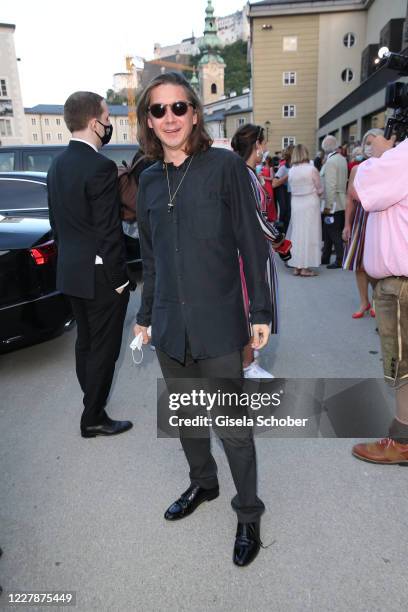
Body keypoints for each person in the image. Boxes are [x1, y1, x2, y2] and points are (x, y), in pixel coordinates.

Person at [133, 72, 272, 567]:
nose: (169, 118)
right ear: (148, 120)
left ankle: (249, 514)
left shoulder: (225, 168)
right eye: (158, 110)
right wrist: (145, 317)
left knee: (232, 426)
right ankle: (204, 485)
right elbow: (149, 260)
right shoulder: (147, 180)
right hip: (170, 324)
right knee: (188, 419)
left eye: (178, 107)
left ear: (194, 111)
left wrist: (261, 310)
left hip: (218, 322)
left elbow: (251, 244)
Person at [47, 91, 133, 438]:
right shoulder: (99, 167)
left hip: (71, 271)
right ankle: (93, 417)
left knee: (85, 343)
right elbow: (108, 231)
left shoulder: (56, 164)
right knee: (104, 350)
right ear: (94, 123)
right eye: (108, 118)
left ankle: (92, 403)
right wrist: (120, 281)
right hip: (100, 276)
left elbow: (57, 223)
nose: (110, 124)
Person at [351, 133, 408, 465]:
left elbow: (361, 187)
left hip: (401, 284)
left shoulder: (401, 157)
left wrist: (383, 154)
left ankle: (401, 441)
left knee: (401, 366)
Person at [231, 124, 281, 379]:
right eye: (263, 143)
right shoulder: (244, 174)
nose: (265, 149)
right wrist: (278, 238)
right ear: (257, 145)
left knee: (253, 301)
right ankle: (248, 363)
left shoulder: (248, 172)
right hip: (249, 249)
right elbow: (254, 217)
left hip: (255, 246)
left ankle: (251, 359)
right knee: (249, 303)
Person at [342, 129, 383, 318]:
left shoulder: (387, 167)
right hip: (360, 217)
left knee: (376, 263)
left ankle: (376, 300)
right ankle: (364, 302)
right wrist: (347, 225)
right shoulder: (357, 169)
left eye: (373, 142)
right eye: (367, 142)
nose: (370, 146)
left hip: (380, 218)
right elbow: (350, 198)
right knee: (359, 264)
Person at [287, 144, 323, 277]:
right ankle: (305, 267)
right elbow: (320, 189)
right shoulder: (311, 169)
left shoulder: (291, 170)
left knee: (297, 234)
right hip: (310, 202)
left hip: (296, 203)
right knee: (309, 234)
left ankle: (297, 265)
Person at [320, 134, 348, 268]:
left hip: (333, 204)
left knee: (333, 231)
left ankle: (340, 259)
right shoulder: (342, 159)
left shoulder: (331, 162)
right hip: (341, 201)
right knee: (329, 229)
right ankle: (325, 256)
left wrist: (328, 206)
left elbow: (330, 186)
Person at [273, 146, 293, 233]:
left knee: (288, 214)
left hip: (290, 194)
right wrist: (287, 176)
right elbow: (274, 183)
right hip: (284, 193)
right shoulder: (284, 168)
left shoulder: (294, 167)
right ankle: (281, 233)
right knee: (284, 214)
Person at [260, 154, 277, 221]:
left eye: (266, 159)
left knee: (270, 201)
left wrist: (264, 177)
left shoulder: (271, 168)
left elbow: (272, 178)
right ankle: (267, 216)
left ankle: (272, 217)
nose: (265, 160)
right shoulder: (263, 167)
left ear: (268, 160)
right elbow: (261, 176)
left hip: (269, 186)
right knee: (265, 200)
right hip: (264, 186)